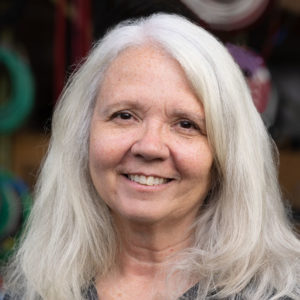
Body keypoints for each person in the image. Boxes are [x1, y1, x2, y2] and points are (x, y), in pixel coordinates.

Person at [3, 13, 300, 300]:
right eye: (125, 115)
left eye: (186, 124)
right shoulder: (32, 290)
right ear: (83, 137)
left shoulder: (279, 293)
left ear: (226, 155)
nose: (149, 147)